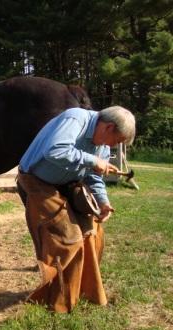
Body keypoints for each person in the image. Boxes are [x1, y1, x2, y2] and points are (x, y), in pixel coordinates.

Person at [16, 105, 136, 313]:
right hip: (37, 181)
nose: (113, 146)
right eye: (116, 141)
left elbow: (94, 176)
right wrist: (92, 160)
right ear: (108, 127)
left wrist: (103, 201)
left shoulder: (103, 147)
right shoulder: (76, 119)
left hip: (69, 183)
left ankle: (83, 293)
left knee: (92, 233)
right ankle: (57, 301)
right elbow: (55, 150)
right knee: (67, 238)